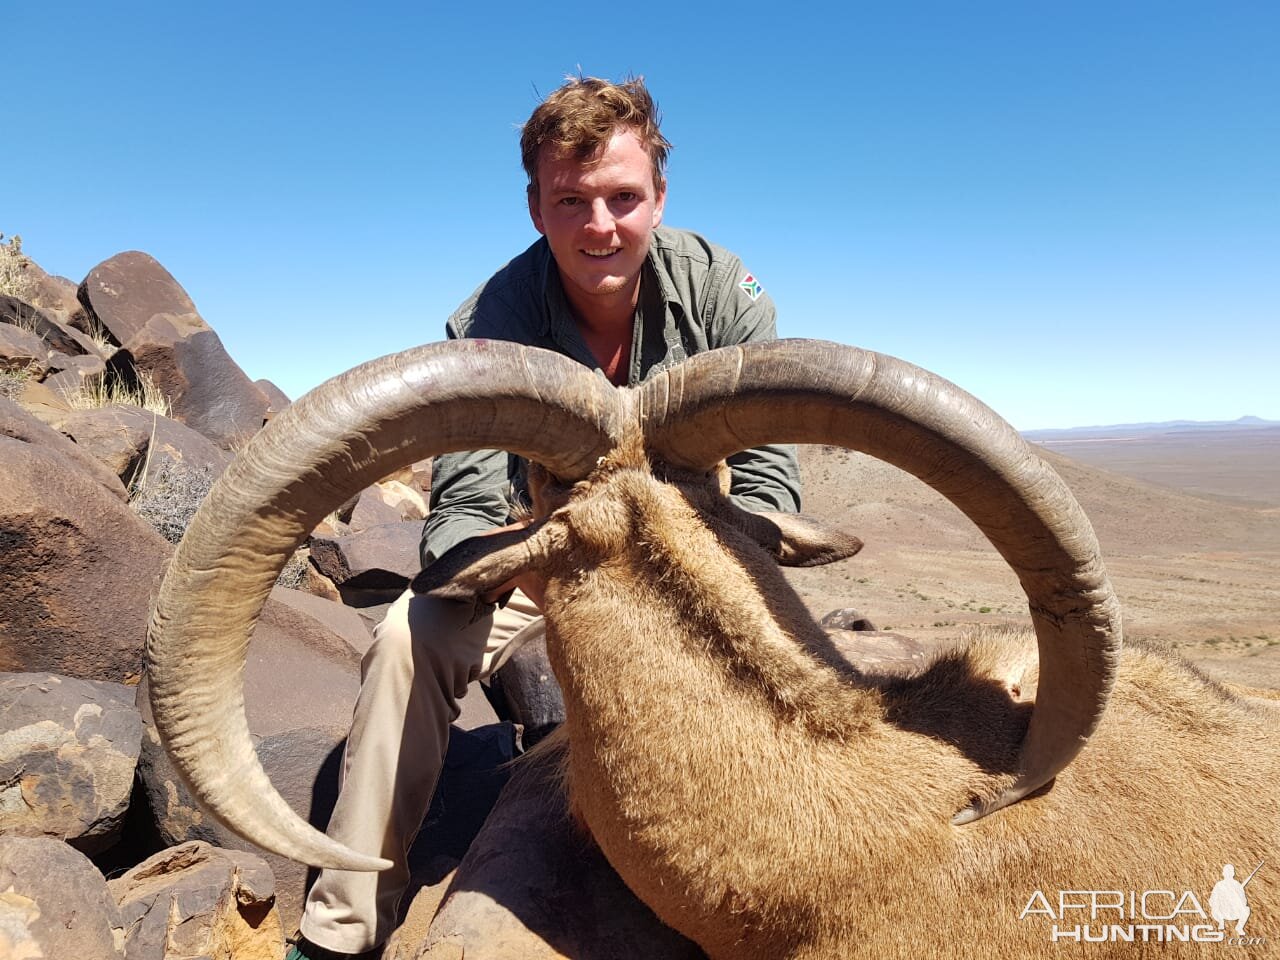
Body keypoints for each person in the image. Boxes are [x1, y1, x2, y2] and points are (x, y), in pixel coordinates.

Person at [288, 75, 801, 960]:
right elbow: (460, 505)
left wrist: (726, 554)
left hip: (689, 557)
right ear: (535, 207)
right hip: (538, 560)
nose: (600, 225)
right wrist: (534, 564)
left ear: (660, 197)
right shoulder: (494, 318)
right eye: (571, 201)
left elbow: (768, 475)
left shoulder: (723, 293)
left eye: (622, 198)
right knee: (412, 638)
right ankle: (343, 928)